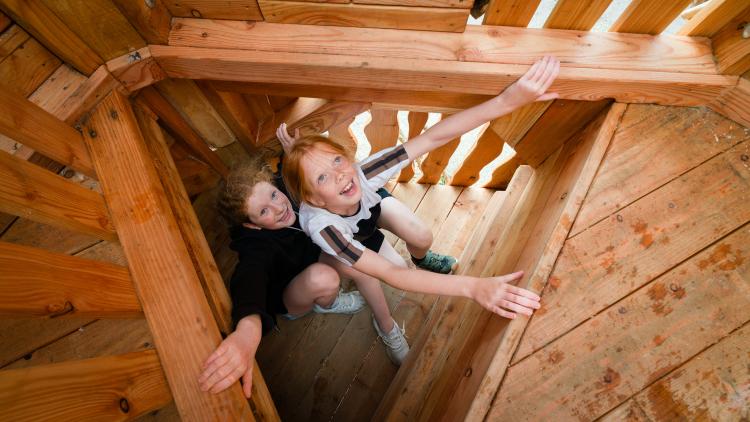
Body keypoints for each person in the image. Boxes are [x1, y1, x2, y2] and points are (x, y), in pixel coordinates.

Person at [280, 56, 559, 349]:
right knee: (384, 271)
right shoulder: (324, 228)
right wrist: (473, 286)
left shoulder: (361, 175)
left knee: (422, 236)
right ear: (310, 198)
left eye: (337, 160)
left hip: (370, 209)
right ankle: (385, 325)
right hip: (354, 235)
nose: (339, 175)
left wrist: (505, 102)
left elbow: (432, 137)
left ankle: (422, 258)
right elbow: (391, 274)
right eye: (322, 177)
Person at [198, 155, 369, 398]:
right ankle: (326, 304)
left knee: (346, 256)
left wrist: (291, 151)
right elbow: (249, 278)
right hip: (292, 292)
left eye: (274, 195)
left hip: (310, 259)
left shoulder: (285, 194)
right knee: (325, 278)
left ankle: (326, 290)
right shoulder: (256, 246)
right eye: (264, 211)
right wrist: (248, 328)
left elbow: (290, 172)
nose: (279, 208)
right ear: (252, 225)